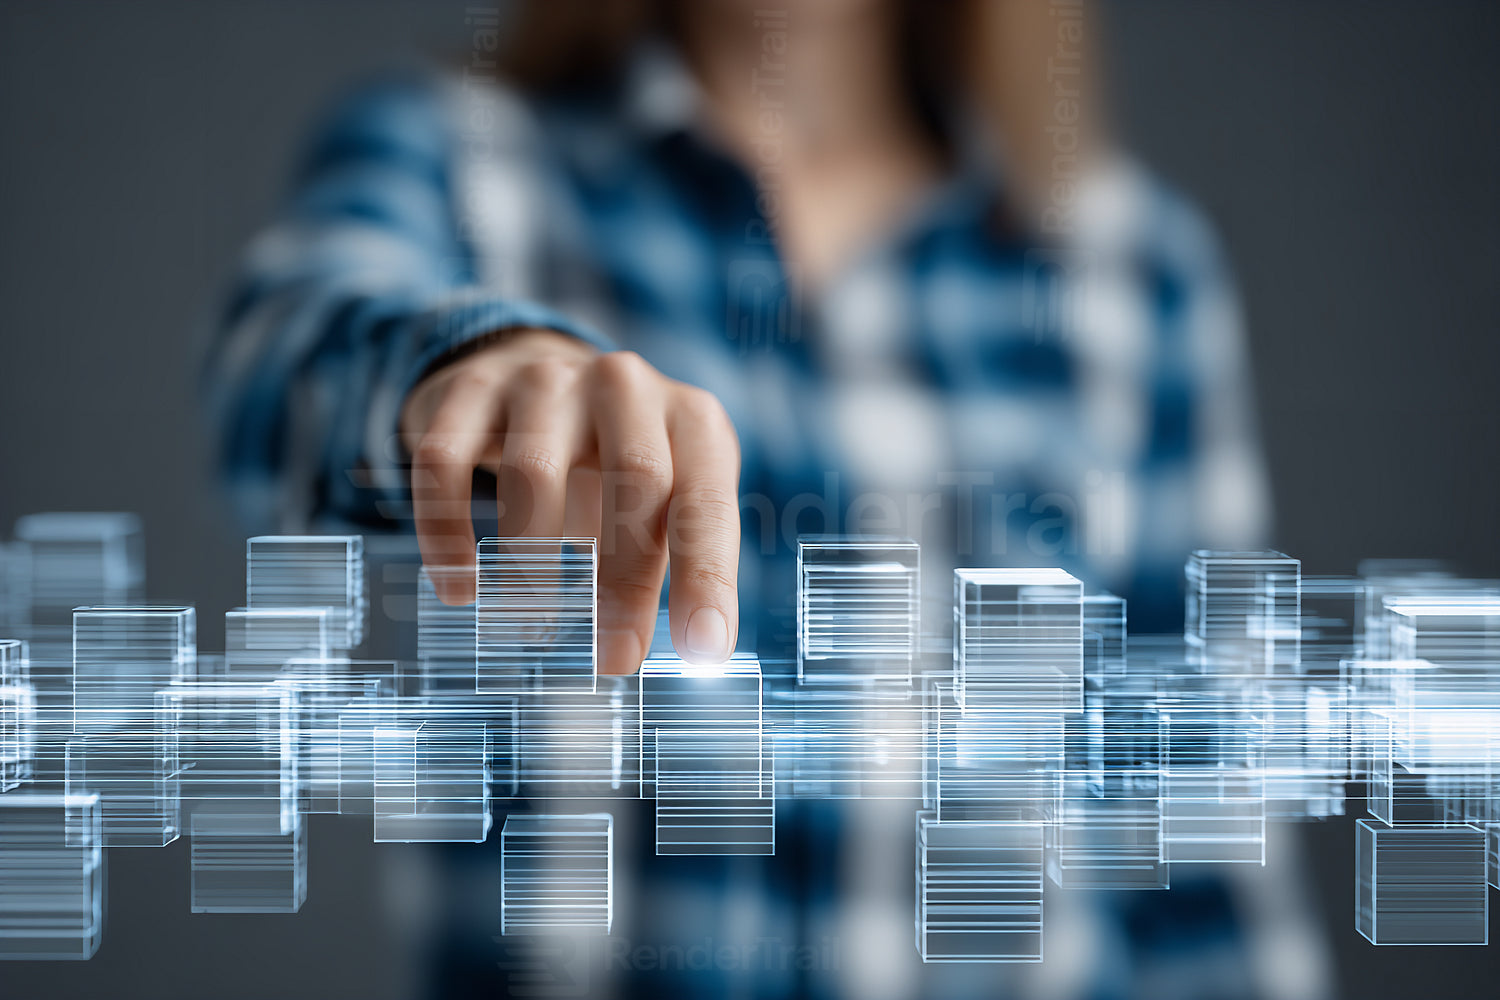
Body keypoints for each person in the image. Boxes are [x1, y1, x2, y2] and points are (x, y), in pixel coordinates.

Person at [208, 2, 1324, 997]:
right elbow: (273, 380)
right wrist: (465, 368)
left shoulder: (1134, 275)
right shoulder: (459, 160)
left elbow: (1204, 848)